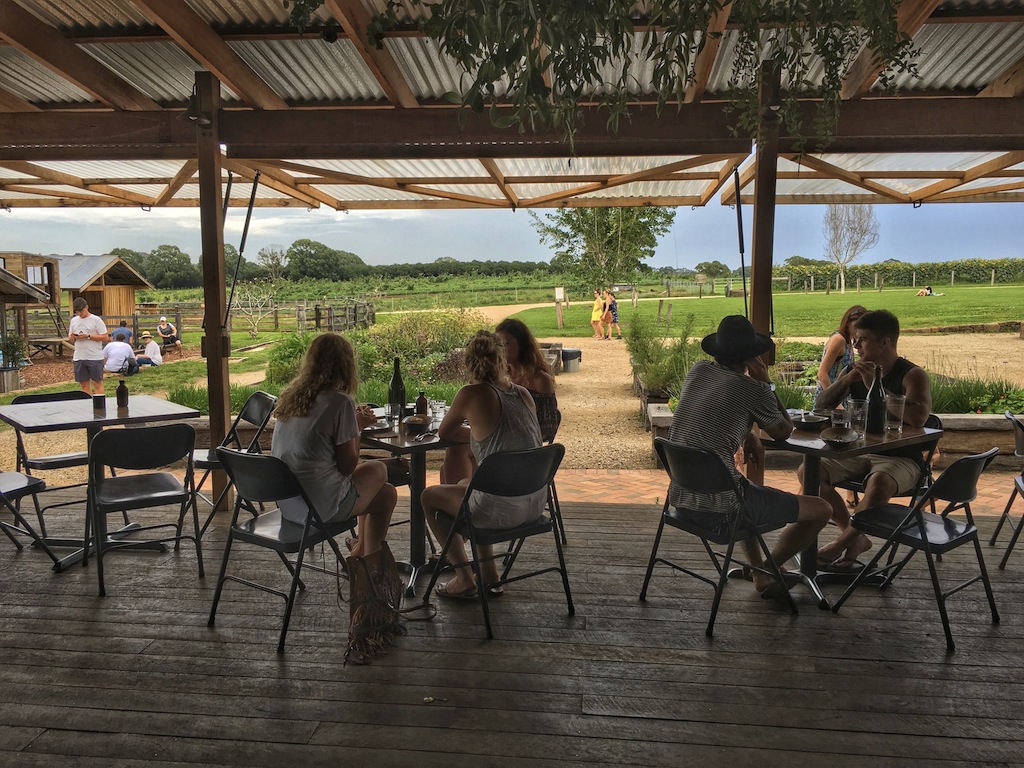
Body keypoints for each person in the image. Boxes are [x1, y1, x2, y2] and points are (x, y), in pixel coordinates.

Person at [667, 315, 831, 597]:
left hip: (681, 501)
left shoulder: (698, 372)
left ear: (717, 351)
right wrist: (767, 383)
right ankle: (768, 568)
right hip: (721, 512)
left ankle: (761, 575)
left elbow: (714, 413)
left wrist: (748, 433)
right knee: (821, 509)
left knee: (744, 489)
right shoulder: (753, 389)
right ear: (753, 356)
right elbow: (783, 430)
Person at [422, 330, 545, 599]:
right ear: (501, 359)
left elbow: (445, 433)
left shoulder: (470, 393)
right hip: (535, 504)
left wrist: (475, 432)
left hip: (500, 509)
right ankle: (489, 574)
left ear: (469, 362)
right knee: (470, 486)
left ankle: (464, 578)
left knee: (429, 497)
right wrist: (479, 434)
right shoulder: (523, 394)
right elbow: (513, 437)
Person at [813, 309, 933, 570]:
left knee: (878, 483)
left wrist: (874, 386)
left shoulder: (912, 375)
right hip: (859, 452)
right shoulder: (853, 369)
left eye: (862, 339)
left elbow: (919, 417)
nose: (854, 345)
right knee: (810, 471)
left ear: (884, 342)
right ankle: (855, 539)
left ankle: (838, 544)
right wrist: (845, 380)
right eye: (854, 339)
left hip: (902, 457)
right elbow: (821, 407)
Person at [271, 333, 396, 558]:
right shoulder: (340, 402)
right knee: (379, 470)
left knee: (386, 494)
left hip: (291, 504)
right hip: (320, 507)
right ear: (346, 365)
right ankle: (366, 562)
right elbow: (347, 466)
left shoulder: (291, 398)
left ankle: (360, 556)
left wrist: (352, 427)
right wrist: (357, 428)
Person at [496, 318, 558, 442]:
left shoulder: (540, 380)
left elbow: (548, 430)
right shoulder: (499, 376)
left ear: (522, 345)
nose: (501, 349)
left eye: (506, 343)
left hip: (525, 447)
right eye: (498, 344)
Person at [814, 304, 867, 409]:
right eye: (856, 326)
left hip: (840, 397)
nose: (858, 331)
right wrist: (836, 404)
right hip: (830, 401)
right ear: (847, 323)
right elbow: (822, 373)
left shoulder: (849, 341)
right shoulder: (839, 340)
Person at [67, 297, 107, 395]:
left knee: (97, 383)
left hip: (94, 357)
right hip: (79, 357)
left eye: (81, 311)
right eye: (77, 311)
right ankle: (87, 403)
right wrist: (73, 337)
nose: (79, 313)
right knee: (84, 384)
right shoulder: (74, 321)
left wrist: (88, 336)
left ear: (86, 308)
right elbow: (70, 340)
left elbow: (105, 337)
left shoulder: (96, 320)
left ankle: (99, 405)